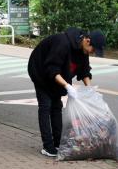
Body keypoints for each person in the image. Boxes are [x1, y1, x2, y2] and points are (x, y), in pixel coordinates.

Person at [28, 28, 106, 157]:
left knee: (57, 107)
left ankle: (58, 143)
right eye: (93, 49)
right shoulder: (63, 43)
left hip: (58, 75)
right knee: (45, 106)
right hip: (40, 71)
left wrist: (90, 89)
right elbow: (52, 69)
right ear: (87, 41)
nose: (91, 53)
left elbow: (84, 70)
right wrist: (67, 86)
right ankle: (48, 147)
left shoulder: (82, 51)